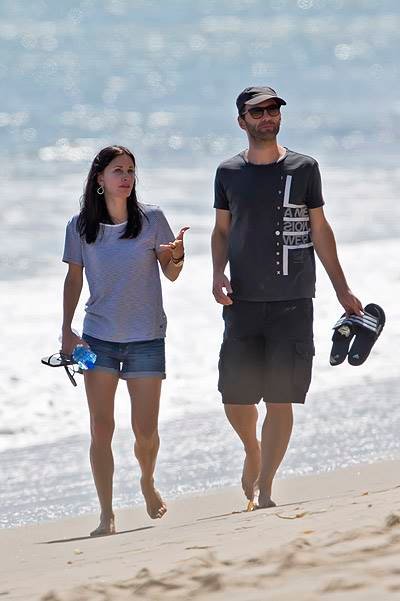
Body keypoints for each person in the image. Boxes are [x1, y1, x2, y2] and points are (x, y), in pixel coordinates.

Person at [211, 86, 362, 509]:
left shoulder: (305, 168)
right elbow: (222, 230)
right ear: (242, 121)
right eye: (257, 112)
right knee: (236, 396)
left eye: (273, 110)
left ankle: (266, 488)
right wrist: (216, 274)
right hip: (241, 302)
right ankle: (252, 449)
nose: (267, 117)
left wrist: (342, 288)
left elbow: (320, 229)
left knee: (281, 397)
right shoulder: (228, 173)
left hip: (294, 300)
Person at [61, 145, 188, 536]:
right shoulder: (80, 226)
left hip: (147, 337)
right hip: (96, 339)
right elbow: (73, 280)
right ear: (99, 178)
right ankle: (106, 514)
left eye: (131, 170)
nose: (126, 178)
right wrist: (67, 330)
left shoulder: (152, 219)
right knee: (101, 428)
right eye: (118, 171)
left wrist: (177, 256)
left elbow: (172, 275)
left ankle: (147, 480)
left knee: (145, 431)